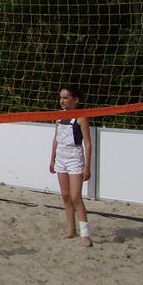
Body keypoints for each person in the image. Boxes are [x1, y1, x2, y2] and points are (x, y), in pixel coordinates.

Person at [49, 85, 93, 247]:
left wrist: (87, 166)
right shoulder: (59, 116)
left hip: (75, 157)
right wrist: (52, 159)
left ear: (76, 100)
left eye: (66, 98)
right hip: (61, 156)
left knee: (76, 196)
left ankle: (85, 234)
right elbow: (56, 138)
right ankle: (71, 230)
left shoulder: (81, 118)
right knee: (66, 196)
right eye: (61, 97)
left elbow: (87, 143)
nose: (62, 100)